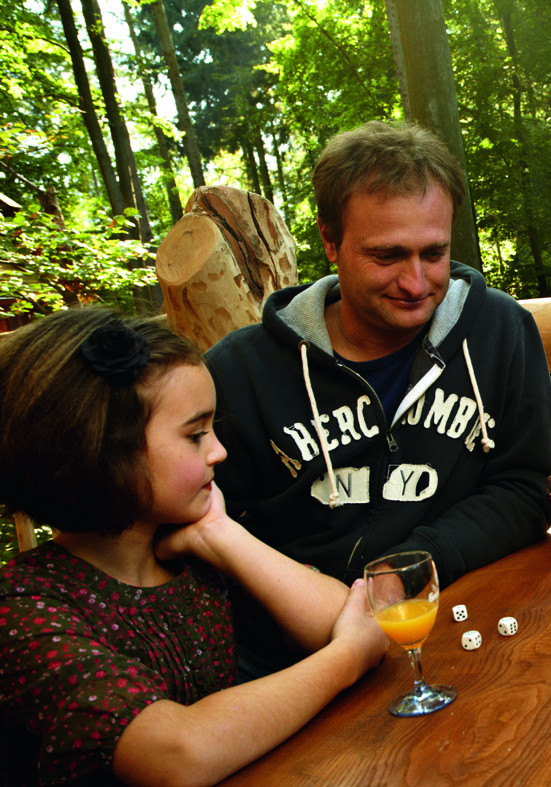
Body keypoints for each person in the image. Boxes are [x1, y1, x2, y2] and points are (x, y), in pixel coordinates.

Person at [205, 121, 551, 676]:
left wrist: (409, 569)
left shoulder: (500, 331)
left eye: (434, 253)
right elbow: (208, 524)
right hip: (295, 656)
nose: (416, 283)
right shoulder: (239, 371)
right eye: (387, 256)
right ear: (330, 241)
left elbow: (526, 489)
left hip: (463, 619)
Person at [0, 308, 389, 786]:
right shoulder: (23, 605)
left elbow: (348, 619)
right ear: (101, 450)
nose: (219, 451)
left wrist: (219, 534)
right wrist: (345, 659)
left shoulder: (189, 559)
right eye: (195, 434)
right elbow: (174, 754)